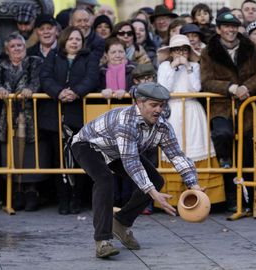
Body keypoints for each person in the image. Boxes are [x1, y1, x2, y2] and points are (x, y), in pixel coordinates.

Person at [70, 82, 203, 258]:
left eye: (161, 105)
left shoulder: (162, 127)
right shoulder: (126, 121)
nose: (158, 110)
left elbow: (177, 156)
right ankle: (102, 241)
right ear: (139, 103)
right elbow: (131, 162)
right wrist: (152, 193)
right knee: (104, 180)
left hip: (118, 150)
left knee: (157, 180)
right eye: (153, 105)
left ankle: (121, 222)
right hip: (88, 146)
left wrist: (193, 184)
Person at [200, 12, 256, 211]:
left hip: (246, 108)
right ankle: (231, 199)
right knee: (223, 136)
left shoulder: (249, 47)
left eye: (234, 26)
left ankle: (250, 201)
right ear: (218, 29)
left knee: (247, 154)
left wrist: (247, 87)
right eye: (226, 26)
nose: (230, 30)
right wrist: (230, 87)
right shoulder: (208, 51)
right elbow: (206, 81)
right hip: (222, 107)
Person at [157, 34, 225, 206]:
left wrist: (187, 67)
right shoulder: (164, 66)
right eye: (177, 49)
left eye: (184, 50)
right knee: (174, 150)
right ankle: (174, 197)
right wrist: (173, 67)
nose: (181, 53)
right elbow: (164, 89)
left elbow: (196, 88)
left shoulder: (194, 66)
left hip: (192, 110)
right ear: (171, 52)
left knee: (196, 148)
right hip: (172, 111)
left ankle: (202, 196)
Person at [39, 26, 99, 215]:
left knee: (79, 159)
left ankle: (77, 198)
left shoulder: (89, 58)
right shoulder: (53, 56)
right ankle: (63, 199)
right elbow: (45, 77)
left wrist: (76, 92)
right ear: (64, 40)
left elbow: (92, 78)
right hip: (56, 116)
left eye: (78, 39)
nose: (74, 42)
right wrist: (59, 92)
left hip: (79, 116)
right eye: (71, 39)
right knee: (60, 160)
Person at [0, 33, 46, 211]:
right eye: (13, 46)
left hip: (31, 117)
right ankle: (16, 192)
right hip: (8, 119)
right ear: (7, 50)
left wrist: (31, 89)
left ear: (25, 47)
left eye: (20, 45)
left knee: (31, 155)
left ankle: (31, 192)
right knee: (10, 155)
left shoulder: (35, 62)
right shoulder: (0, 64)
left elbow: (38, 80)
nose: (17, 49)